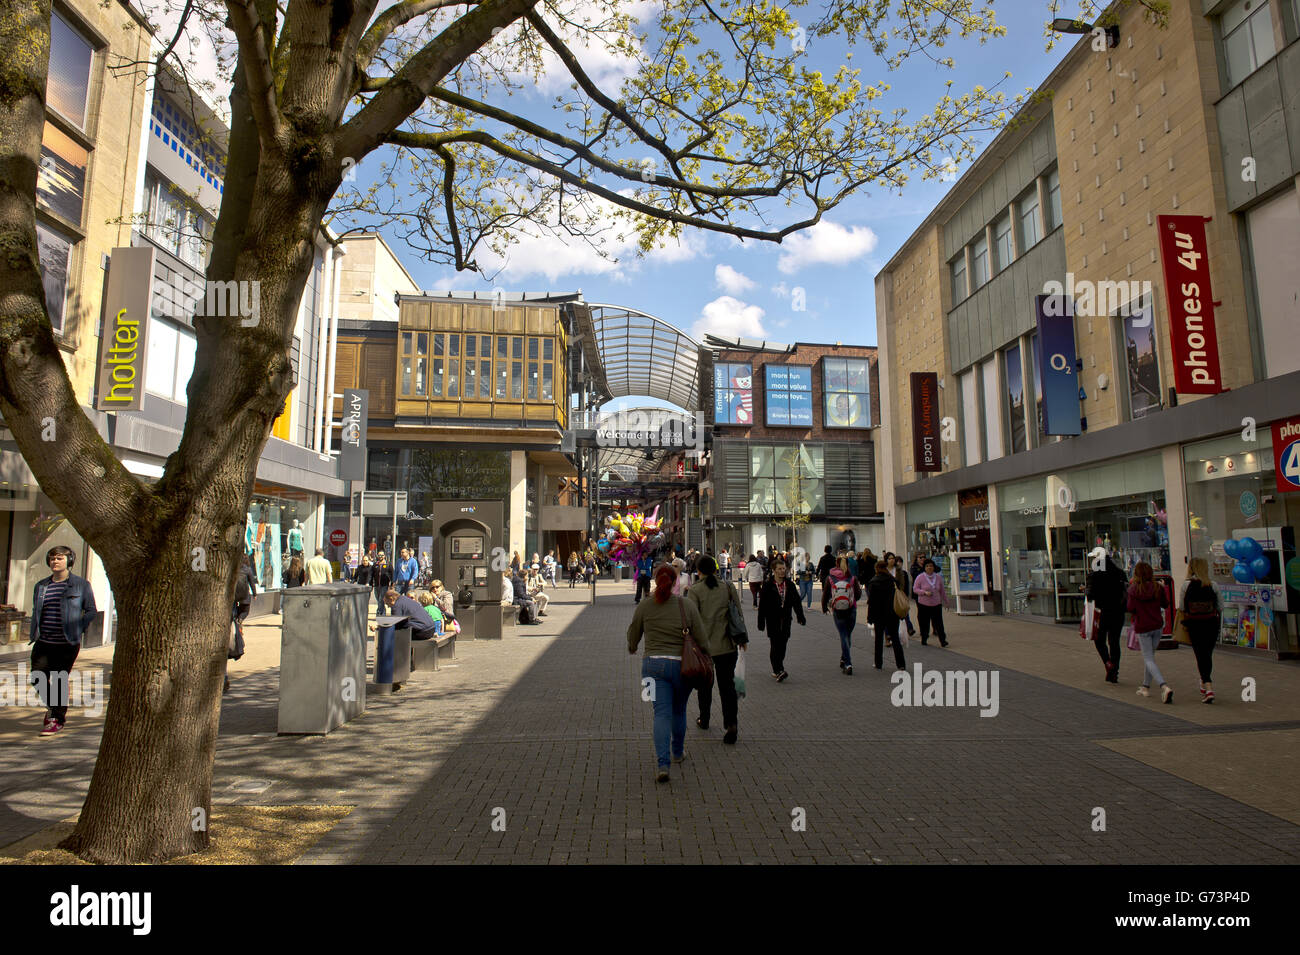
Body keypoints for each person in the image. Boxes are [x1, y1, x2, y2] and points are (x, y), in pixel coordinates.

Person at [627, 563, 707, 782]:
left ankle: (663, 764)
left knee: (661, 713)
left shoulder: (645, 606)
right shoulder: (686, 605)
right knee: (679, 710)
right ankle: (678, 752)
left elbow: (634, 633)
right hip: (682, 666)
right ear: (675, 582)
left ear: (655, 580)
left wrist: (633, 646)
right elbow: (701, 636)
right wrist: (707, 656)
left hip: (653, 666)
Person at [29, 545, 98, 735]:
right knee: (37, 677)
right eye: (52, 558)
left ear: (69, 561)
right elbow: (37, 611)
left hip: (67, 643)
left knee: (59, 680)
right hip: (43, 641)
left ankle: (56, 718)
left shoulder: (80, 585)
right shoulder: (42, 586)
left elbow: (91, 610)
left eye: (59, 558)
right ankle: (54, 708)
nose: (55, 561)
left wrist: (79, 627)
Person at [686, 555, 744, 744]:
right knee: (727, 687)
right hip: (727, 645)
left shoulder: (695, 591)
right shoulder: (727, 587)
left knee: (705, 686)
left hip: (705, 648)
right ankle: (731, 723)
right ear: (716, 569)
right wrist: (742, 638)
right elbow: (737, 612)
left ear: (699, 571)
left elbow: (691, 620)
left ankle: (705, 718)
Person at [1127, 561, 1172, 703]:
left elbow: (1130, 608)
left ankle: (1163, 686)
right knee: (1150, 657)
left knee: (1148, 658)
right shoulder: (1158, 588)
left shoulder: (1134, 590)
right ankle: (1145, 687)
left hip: (1143, 626)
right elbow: (1165, 604)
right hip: (1157, 625)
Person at [1179, 558, 1221, 703]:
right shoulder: (1213, 585)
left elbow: (1182, 607)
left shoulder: (1186, 585)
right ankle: (1205, 683)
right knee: (1207, 654)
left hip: (1194, 624)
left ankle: (1208, 686)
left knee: (1200, 654)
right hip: (1211, 623)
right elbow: (1220, 606)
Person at [757, 558, 806, 682]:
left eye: (784, 568)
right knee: (775, 644)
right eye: (779, 569)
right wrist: (761, 621)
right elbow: (762, 604)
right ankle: (778, 669)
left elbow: (796, 602)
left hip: (786, 619)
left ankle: (778, 667)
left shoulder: (789, 584)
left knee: (783, 644)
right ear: (774, 570)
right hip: (772, 619)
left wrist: (800, 616)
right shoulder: (768, 585)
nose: (782, 571)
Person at [1085, 549, 1129, 683]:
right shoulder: (1119, 573)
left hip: (1101, 612)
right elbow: (1126, 591)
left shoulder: (1095, 575)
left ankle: (1108, 663)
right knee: (1114, 641)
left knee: (1099, 640)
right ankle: (1115, 669)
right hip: (1118, 612)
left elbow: (1090, 595)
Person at [821, 555, 861, 675]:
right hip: (851, 608)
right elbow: (858, 595)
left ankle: (847, 662)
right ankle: (845, 659)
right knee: (847, 635)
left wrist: (824, 607)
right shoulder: (852, 577)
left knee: (843, 635)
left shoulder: (830, 577)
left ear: (836, 564)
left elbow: (825, 594)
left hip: (837, 610)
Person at [866, 560, 906, 672]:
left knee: (878, 639)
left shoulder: (873, 582)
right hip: (893, 613)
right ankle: (901, 664)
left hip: (879, 614)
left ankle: (878, 663)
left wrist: (870, 617)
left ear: (876, 569)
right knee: (895, 639)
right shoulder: (892, 581)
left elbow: (871, 602)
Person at [912, 558, 949, 646]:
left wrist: (946, 601)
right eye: (927, 566)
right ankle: (924, 638)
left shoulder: (938, 577)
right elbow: (915, 589)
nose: (929, 568)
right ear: (924, 568)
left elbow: (942, 591)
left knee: (939, 623)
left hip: (936, 604)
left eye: (931, 566)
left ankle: (942, 640)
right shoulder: (920, 577)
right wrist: (924, 592)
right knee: (925, 622)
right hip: (924, 604)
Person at [886, 552, 917, 639]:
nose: (892, 560)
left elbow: (903, 584)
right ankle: (888, 633)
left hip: (898, 594)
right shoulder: (884, 570)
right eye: (889, 558)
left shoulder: (899, 571)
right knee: (888, 615)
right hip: (887, 596)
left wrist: (904, 595)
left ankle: (909, 628)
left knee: (903, 611)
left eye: (893, 558)